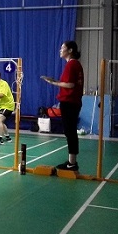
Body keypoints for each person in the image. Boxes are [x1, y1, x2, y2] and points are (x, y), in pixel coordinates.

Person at [41, 41, 84, 171]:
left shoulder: (71, 64)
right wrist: (55, 81)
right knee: (70, 132)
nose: (60, 50)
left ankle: (72, 163)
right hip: (72, 102)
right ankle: (71, 161)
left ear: (70, 50)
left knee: (70, 132)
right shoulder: (75, 64)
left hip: (69, 102)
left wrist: (53, 83)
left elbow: (70, 85)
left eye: (62, 48)